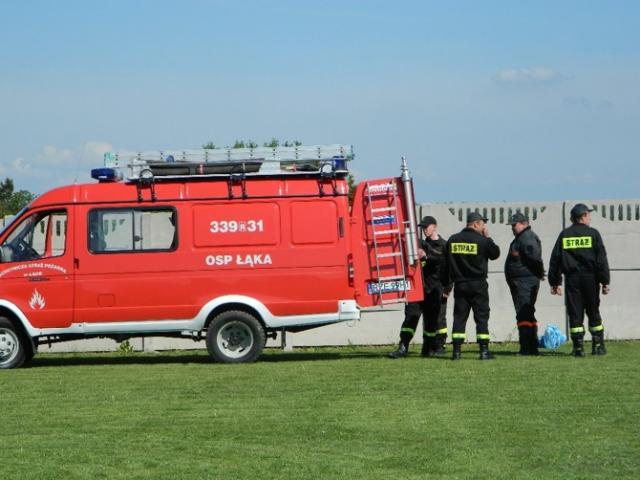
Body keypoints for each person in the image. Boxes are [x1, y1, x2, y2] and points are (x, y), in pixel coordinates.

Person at [548, 203, 610, 356]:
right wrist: (604, 281)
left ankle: (578, 348)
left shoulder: (565, 235)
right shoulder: (593, 234)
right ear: (583, 216)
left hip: (572, 279)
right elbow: (601, 260)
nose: (590, 218)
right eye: (589, 215)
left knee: (575, 312)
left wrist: (555, 282)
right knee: (593, 310)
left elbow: (556, 260)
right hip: (590, 279)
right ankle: (598, 346)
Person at [388, 216, 450, 358]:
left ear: (434, 226)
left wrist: (447, 289)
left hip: (434, 289)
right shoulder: (421, 243)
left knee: (433, 321)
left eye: (426, 227)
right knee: (411, 317)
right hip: (417, 289)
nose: (424, 230)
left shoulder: (444, 245)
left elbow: (444, 264)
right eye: (422, 228)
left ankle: (430, 348)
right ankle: (403, 347)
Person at [444, 211, 500, 360]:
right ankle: (484, 351)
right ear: (475, 224)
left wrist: (447, 286)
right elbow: (495, 254)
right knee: (481, 317)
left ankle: (456, 352)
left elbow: (446, 264)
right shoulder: (482, 240)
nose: (484, 227)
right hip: (478, 284)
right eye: (482, 224)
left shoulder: (453, 240)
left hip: (460, 284)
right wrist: (487, 237)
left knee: (459, 317)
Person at [504, 212, 545, 355]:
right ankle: (531, 346)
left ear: (523, 224)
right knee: (527, 313)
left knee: (523, 314)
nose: (512, 228)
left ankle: (526, 348)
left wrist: (539, 273)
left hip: (524, 282)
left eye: (514, 225)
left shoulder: (527, 238)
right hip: (521, 282)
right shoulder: (521, 238)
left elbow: (535, 259)